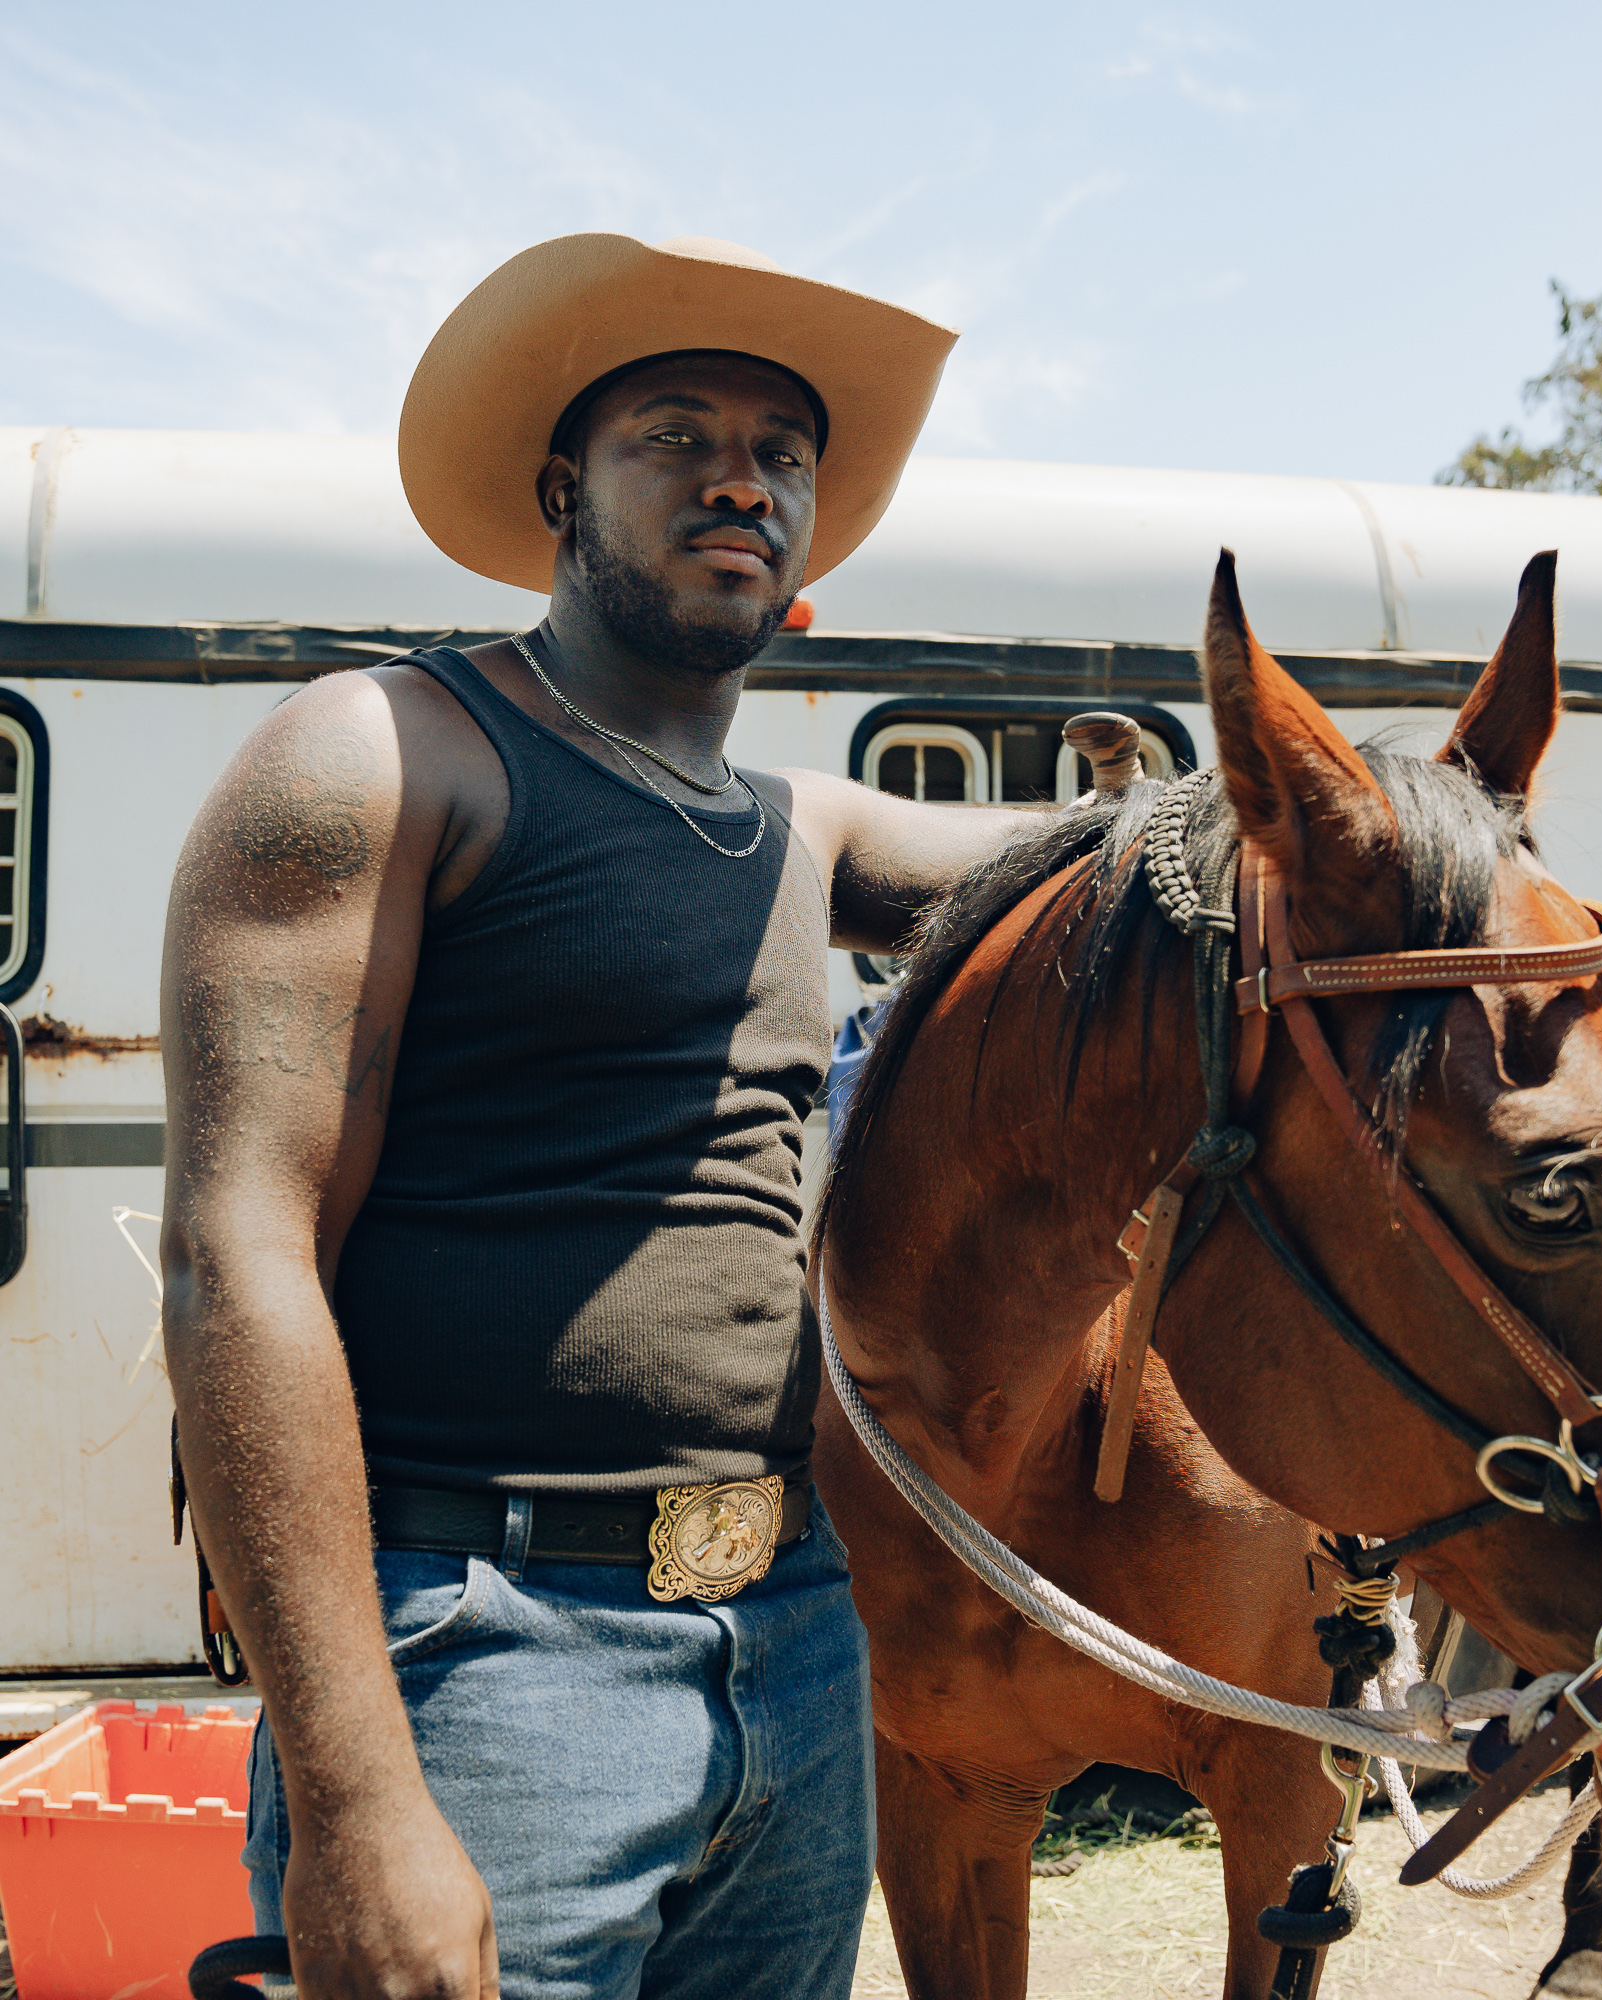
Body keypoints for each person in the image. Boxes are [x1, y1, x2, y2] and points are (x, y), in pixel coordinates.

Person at [160, 234, 1053, 2000]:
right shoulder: (387, 754)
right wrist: (351, 1796)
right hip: (481, 1644)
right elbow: (235, 1248)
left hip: (793, 1633)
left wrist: (1386, 821)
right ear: (564, 489)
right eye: (678, 431)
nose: (745, 476)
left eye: (785, 452)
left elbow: (1116, 877)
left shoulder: (802, 829)